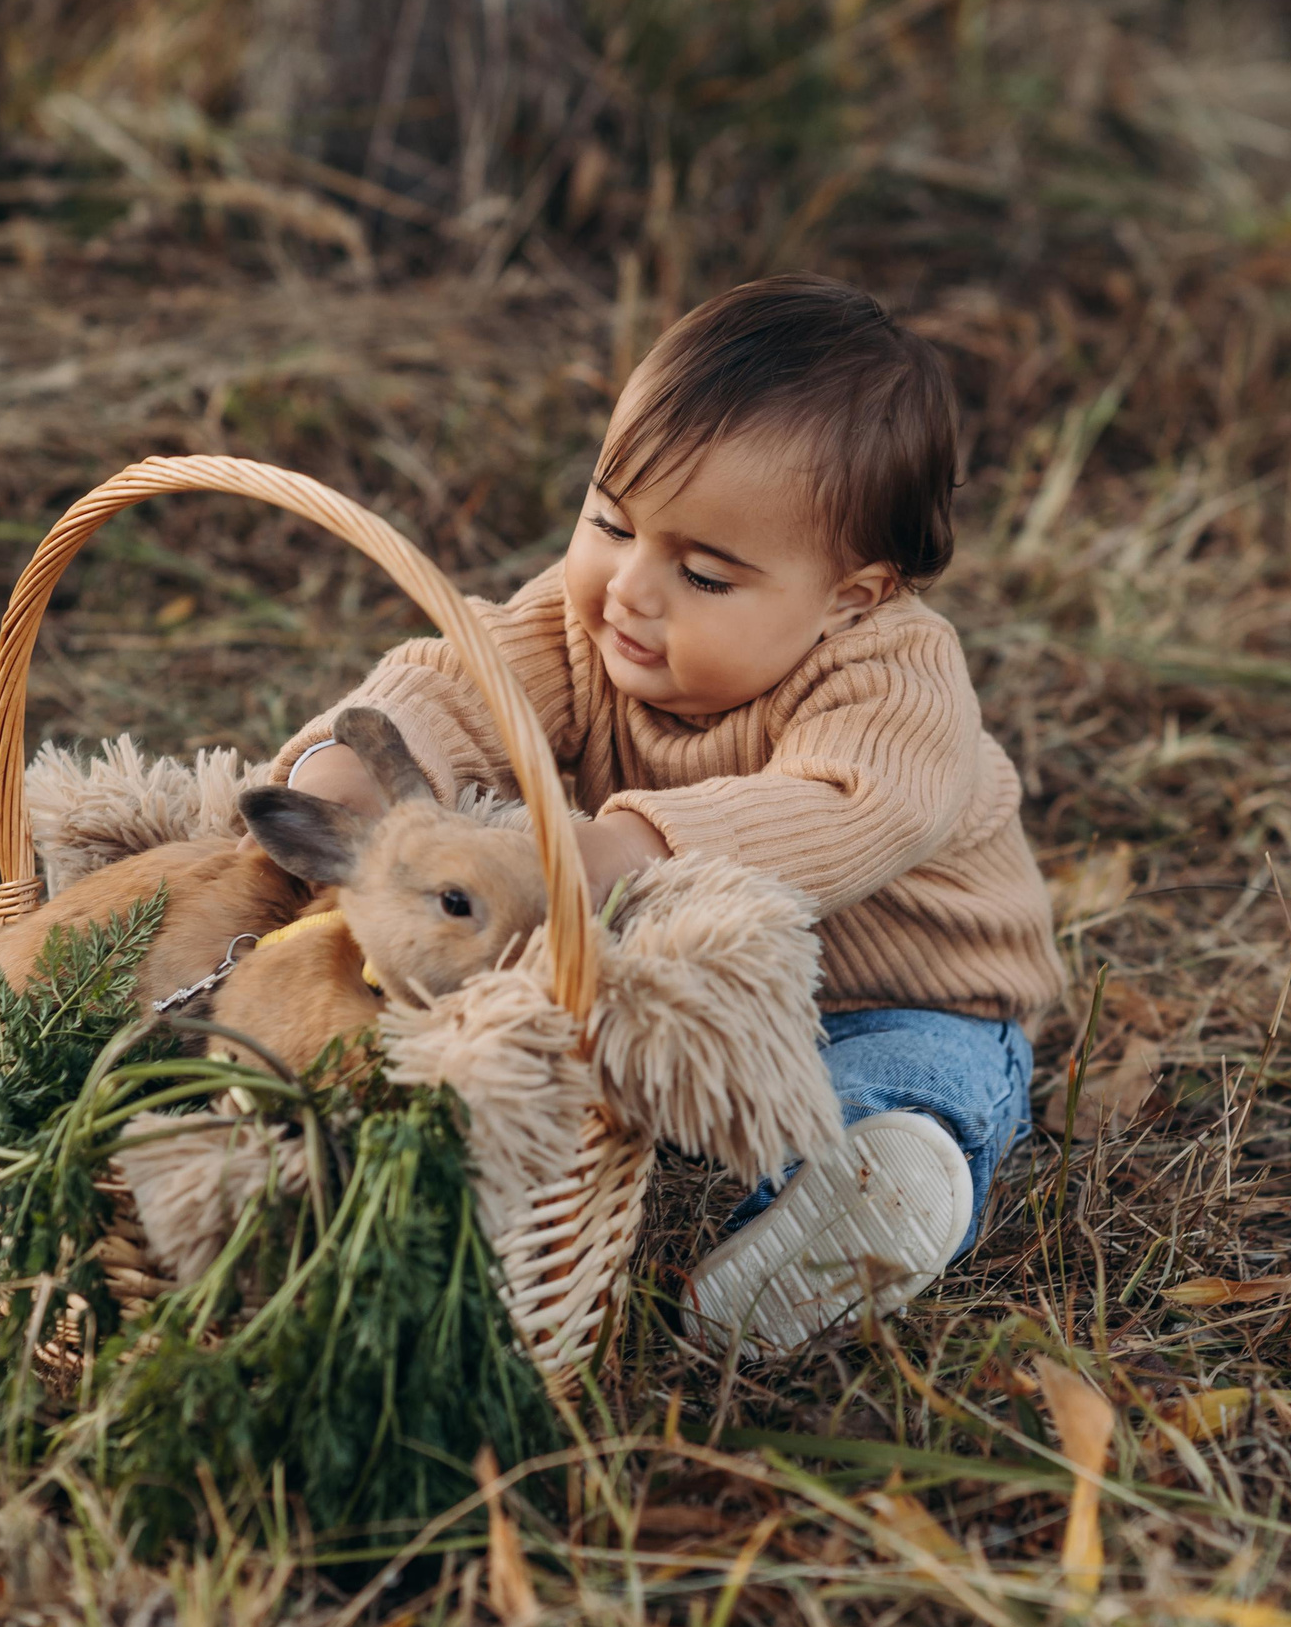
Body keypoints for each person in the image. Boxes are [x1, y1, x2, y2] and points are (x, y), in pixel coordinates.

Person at [267, 272, 1061, 1356]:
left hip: (898, 994)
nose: (629, 588)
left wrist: (621, 847)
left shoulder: (896, 681)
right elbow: (461, 683)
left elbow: (839, 810)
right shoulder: (585, 622)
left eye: (702, 572)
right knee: (507, 1027)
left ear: (850, 596)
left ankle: (852, 1207)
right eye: (609, 520)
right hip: (675, 985)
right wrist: (349, 778)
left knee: (897, 1086)